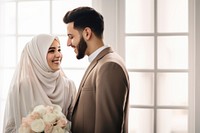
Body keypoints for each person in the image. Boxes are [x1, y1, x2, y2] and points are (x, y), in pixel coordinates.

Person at [63, 6, 130, 133]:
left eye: (71, 36)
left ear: (87, 33)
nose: (68, 43)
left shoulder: (109, 67)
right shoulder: (102, 62)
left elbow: (108, 128)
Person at [3, 34, 77, 133]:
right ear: (37, 56)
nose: (58, 55)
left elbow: (76, 125)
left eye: (59, 50)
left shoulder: (69, 86)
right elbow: (9, 128)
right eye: (51, 50)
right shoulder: (19, 88)